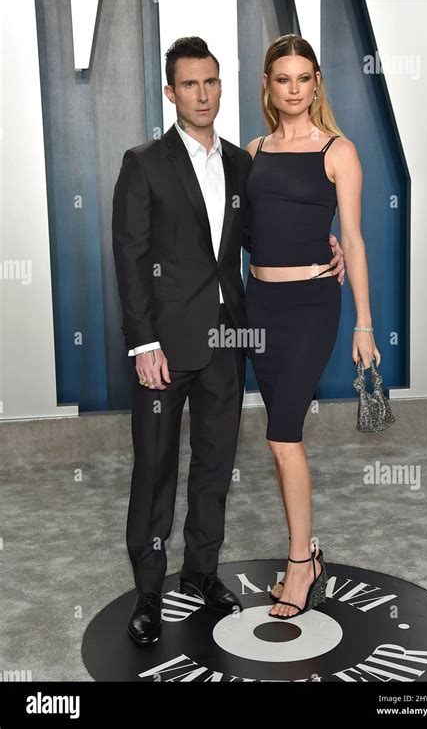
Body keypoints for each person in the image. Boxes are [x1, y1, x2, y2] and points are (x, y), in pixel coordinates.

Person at [112, 36, 345, 644]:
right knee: (156, 471)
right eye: (189, 84)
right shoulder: (144, 162)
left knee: (215, 466)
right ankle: (148, 592)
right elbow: (130, 259)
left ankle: (201, 572)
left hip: (229, 340)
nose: (202, 94)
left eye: (211, 82)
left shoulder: (244, 163)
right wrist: (143, 344)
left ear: (222, 86)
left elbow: (258, 236)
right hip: (163, 347)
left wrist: (325, 246)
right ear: (171, 93)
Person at [245, 34, 380, 620]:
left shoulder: (338, 151)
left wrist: (365, 326)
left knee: (281, 436)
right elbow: (246, 231)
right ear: (269, 87)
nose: (294, 89)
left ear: (316, 83)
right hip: (258, 306)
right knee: (281, 441)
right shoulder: (253, 151)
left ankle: (301, 562)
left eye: (304, 78)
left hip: (311, 307)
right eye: (283, 79)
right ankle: (308, 555)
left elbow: (352, 238)